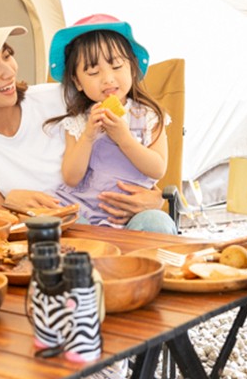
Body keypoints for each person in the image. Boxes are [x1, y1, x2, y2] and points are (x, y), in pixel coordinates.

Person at [0, 12, 175, 379]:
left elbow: (137, 152)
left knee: (152, 233)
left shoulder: (57, 99)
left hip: (111, 224)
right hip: (39, 243)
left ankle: (105, 359)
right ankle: (35, 369)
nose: (7, 73)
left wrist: (155, 200)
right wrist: (10, 201)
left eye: (7, 57)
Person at [46, 14, 172, 230]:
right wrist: (88, 136)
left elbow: (157, 169)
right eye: (93, 72)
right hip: (84, 210)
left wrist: (124, 138)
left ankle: (142, 263)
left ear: (132, 68)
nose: (108, 79)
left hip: (132, 216)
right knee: (61, 227)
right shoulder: (78, 121)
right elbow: (71, 177)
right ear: (77, 81)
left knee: (157, 223)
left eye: (116, 67)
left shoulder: (149, 115)